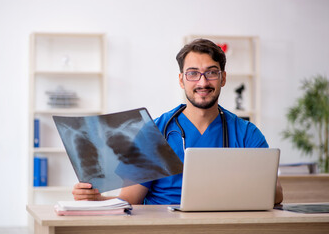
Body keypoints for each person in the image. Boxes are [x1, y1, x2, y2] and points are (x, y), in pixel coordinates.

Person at [72, 38, 283, 205]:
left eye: (211, 73)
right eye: (193, 73)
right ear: (182, 80)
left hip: (224, 225)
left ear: (223, 78)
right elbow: (129, 201)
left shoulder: (246, 133)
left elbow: (275, 194)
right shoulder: (155, 131)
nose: (202, 82)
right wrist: (97, 200)